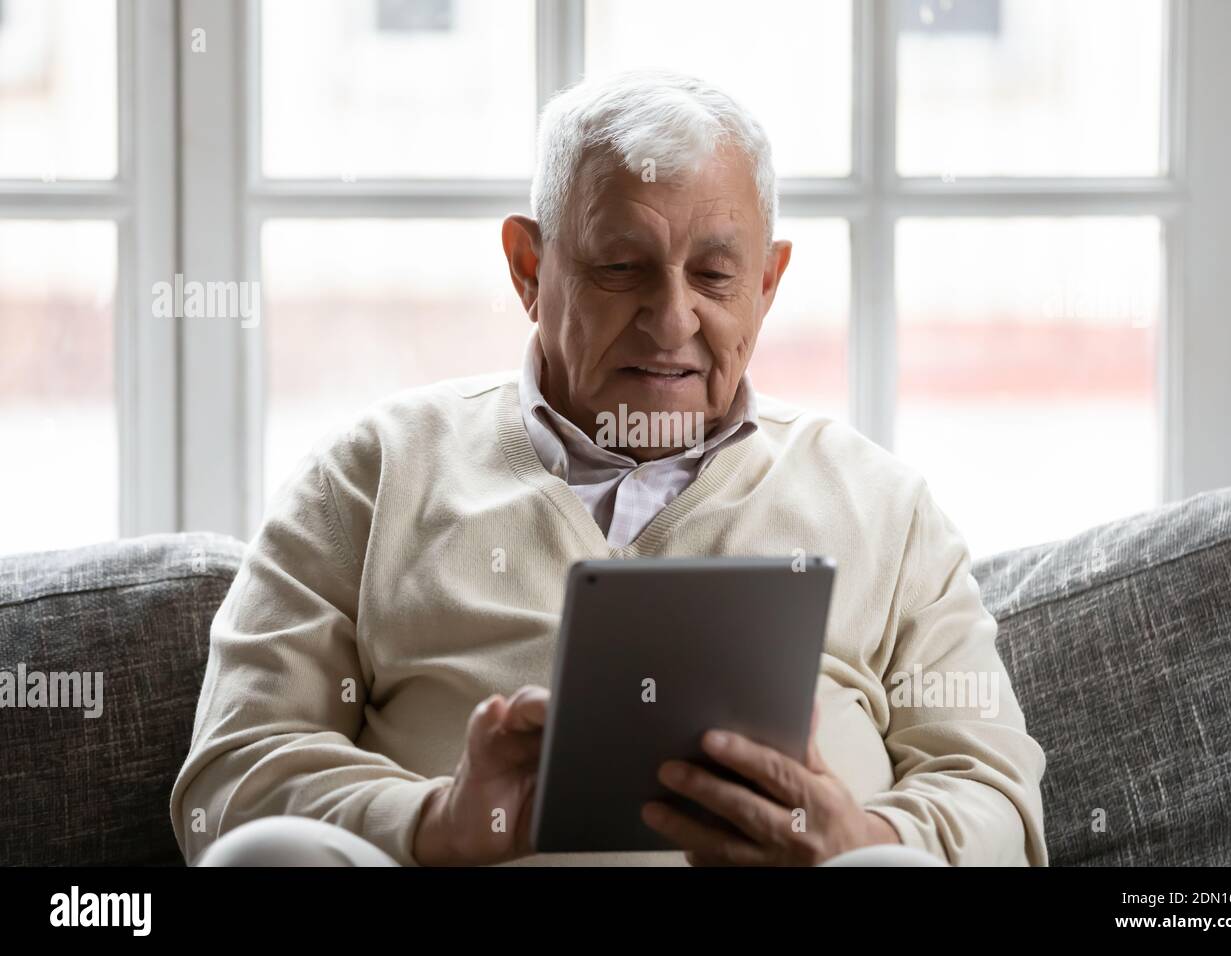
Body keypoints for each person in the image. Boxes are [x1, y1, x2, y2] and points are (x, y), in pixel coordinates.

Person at [171, 70, 1047, 867]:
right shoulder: (369, 475)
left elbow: (996, 792)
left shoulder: (885, 507)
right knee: (268, 858)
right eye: (621, 269)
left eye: (714, 274)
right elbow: (230, 774)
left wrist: (858, 835)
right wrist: (435, 821)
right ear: (529, 268)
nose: (672, 319)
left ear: (769, 285)